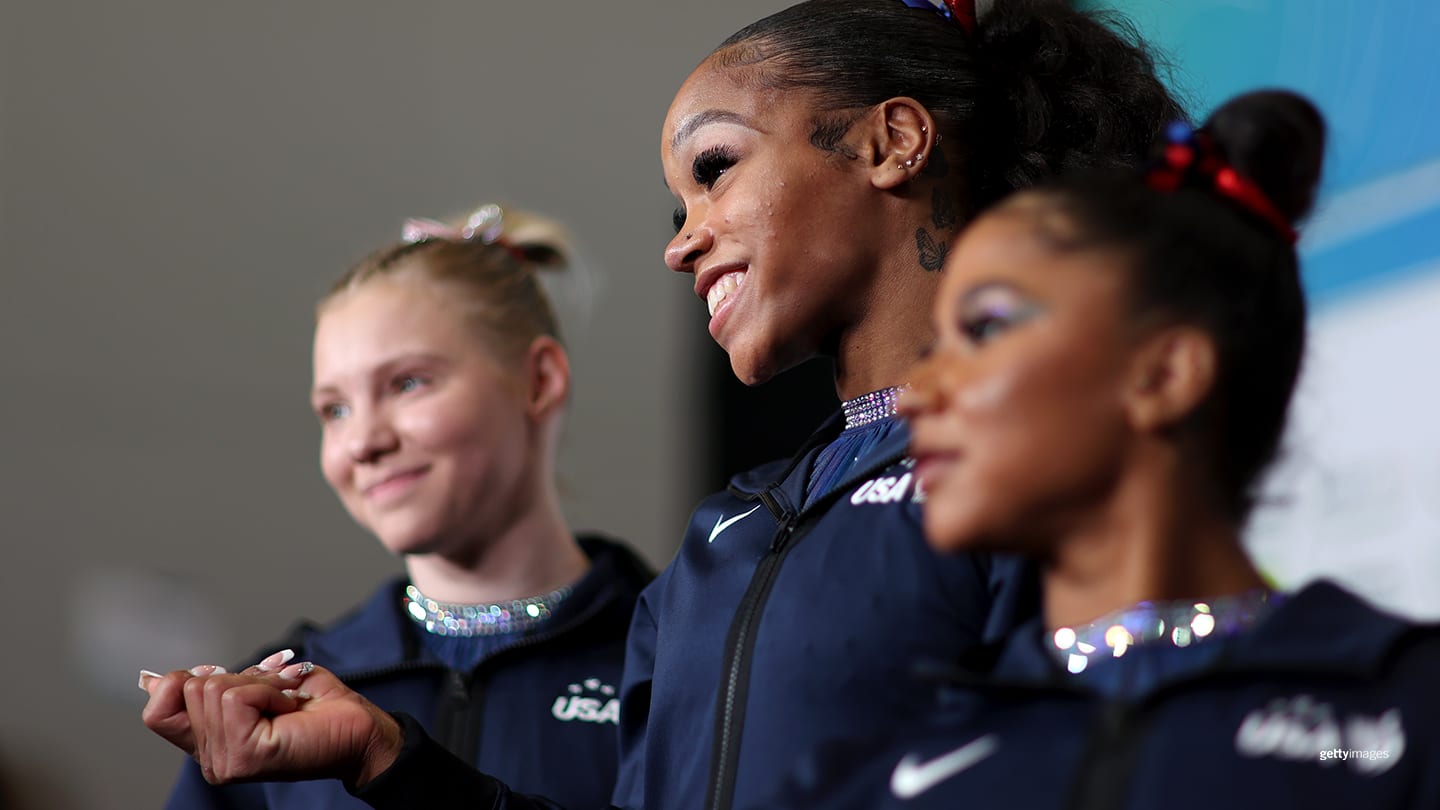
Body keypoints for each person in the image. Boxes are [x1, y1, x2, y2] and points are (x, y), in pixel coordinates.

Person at [140, 1, 1184, 807]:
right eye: (677, 204)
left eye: (717, 169)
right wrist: (387, 758)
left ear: (889, 142)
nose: (680, 242)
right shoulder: (720, 545)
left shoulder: (1054, 473)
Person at [769, 89, 1440, 809]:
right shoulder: (870, 779)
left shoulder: (1408, 713)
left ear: (1166, 373)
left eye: (986, 329)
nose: (920, 394)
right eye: (935, 346)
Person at [146, 203, 654, 810]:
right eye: (335, 409)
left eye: (408, 383)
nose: (363, 441)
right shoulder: (284, 691)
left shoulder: (674, 657)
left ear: (539, 380)